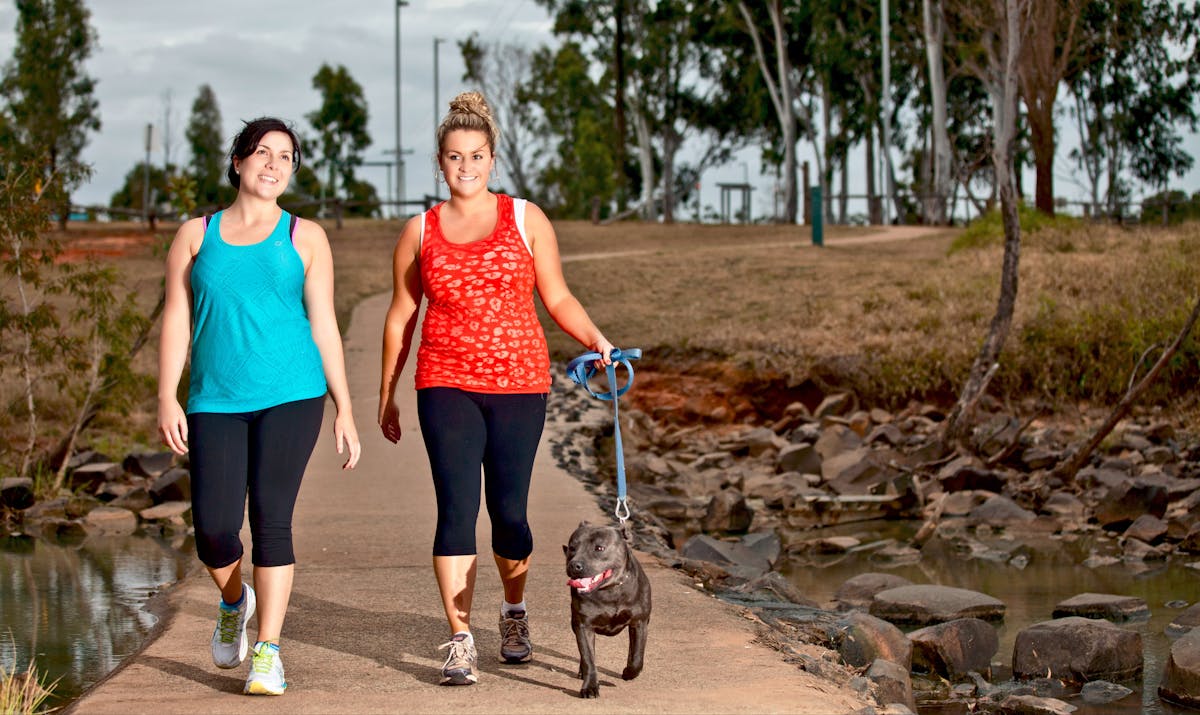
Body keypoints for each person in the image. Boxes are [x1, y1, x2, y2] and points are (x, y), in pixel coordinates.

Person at [379, 91, 614, 686]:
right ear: (440, 162)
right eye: (455, 158)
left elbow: (555, 295)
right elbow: (401, 316)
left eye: (477, 156)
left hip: (519, 383)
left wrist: (595, 340)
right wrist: (387, 393)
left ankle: (513, 613)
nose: (466, 167)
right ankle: (460, 640)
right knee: (456, 510)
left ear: (492, 159)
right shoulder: (420, 230)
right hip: (444, 381)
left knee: (509, 513)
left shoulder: (524, 219)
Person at [157, 117, 361, 696]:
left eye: (286, 157)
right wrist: (166, 395)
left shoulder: (305, 236)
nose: (274, 164)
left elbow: (324, 325)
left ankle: (267, 651)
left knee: (272, 517)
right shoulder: (196, 235)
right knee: (215, 532)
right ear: (239, 162)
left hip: (294, 394)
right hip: (214, 398)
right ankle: (233, 601)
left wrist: (344, 407)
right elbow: (177, 318)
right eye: (262, 152)